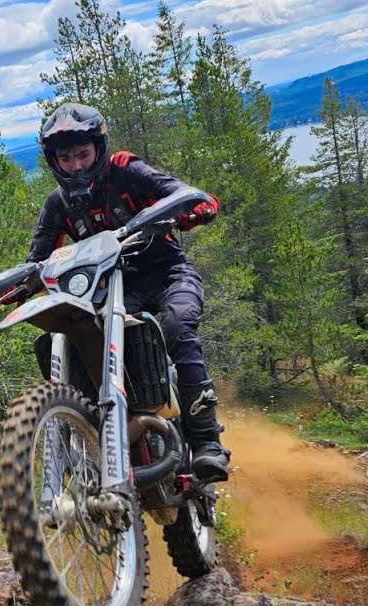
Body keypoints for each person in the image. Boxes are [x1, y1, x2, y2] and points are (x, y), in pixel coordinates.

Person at [28, 102, 230, 481]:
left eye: (83, 154)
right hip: (112, 292)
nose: (76, 166)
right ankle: (93, 437)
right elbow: (38, 259)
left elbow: (182, 194)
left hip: (167, 274)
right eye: (66, 157)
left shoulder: (125, 170)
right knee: (80, 338)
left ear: (98, 149)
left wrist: (190, 208)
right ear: (54, 161)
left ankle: (206, 442)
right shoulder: (58, 205)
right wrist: (20, 283)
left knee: (176, 327)